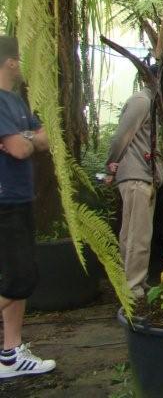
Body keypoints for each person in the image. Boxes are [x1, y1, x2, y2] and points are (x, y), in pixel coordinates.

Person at [0, 36, 56, 378]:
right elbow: (20, 150)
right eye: (19, 59)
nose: (23, 65)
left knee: (16, 277)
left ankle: (10, 355)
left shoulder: (17, 101)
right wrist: (26, 140)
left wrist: (26, 139)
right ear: (10, 62)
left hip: (21, 198)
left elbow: (45, 139)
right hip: (3, 200)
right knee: (21, 278)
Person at [106, 66, 162, 300]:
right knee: (138, 235)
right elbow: (122, 136)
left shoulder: (153, 103)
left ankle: (130, 282)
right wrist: (110, 165)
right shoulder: (142, 101)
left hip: (143, 176)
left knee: (131, 234)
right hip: (137, 176)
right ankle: (133, 289)